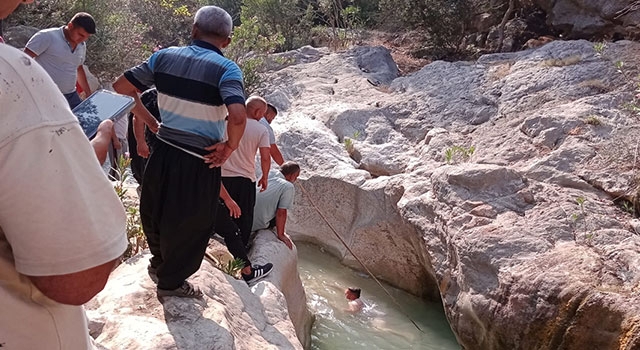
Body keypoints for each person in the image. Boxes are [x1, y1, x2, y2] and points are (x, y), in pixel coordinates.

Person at [0, 0, 127, 348]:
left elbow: (79, 71)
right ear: (69, 26)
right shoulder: (22, 64)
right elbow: (79, 280)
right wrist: (95, 146)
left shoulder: (77, 48)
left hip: (66, 96)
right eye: (80, 33)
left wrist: (83, 93)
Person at [112, 5, 246, 298]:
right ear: (227, 41)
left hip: (164, 150)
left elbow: (121, 86)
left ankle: (159, 265)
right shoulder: (227, 69)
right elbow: (237, 116)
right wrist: (229, 148)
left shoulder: (164, 56)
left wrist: (150, 121)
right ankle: (171, 282)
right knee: (192, 222)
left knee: (155, 208)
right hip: (200, 159)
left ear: (194, 30)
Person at [220, 95, 271, 247]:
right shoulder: (261, 129)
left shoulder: (226, 123)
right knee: (244, 217)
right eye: (262, 113)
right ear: (257, 112)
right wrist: (265, 177)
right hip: (245, 178)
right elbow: (265, 157)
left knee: (219, 212)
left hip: (220, 178)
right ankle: (240, 253)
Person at [24, 12, 96, 109]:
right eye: (80, 35)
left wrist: (88, 94)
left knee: (81, 121)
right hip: (45, 94)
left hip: (70, 95)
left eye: (87, 37)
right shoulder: (47, 37)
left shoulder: (81, 45)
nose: (83, 39)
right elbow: (23, 60)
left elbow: (78, 68)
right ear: (70, 26)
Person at [215, 185, 273, 283]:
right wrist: (227, 199)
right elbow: (212, 177)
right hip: (206, 198)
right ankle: (247, 271)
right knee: (232, 232)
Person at [252, 161, 300, 250]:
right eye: (296, 177)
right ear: (292, 175)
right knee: (281, 207)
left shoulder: (269, 172)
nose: (296, 179)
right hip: (256, 223)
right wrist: (281, 234)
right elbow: (281, 212)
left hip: (245, 216)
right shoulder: (288, 186)